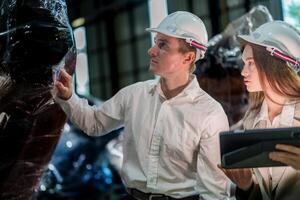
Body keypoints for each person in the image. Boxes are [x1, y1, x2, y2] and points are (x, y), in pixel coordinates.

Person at [54, 11, 231, 200]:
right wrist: (68, 97)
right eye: (156, 42)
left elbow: (215, 190)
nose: (151, 50)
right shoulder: (134, 96)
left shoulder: (209, 114)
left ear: (187, 58)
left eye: (162, 45)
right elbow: (95, 124)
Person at [219, 21, 300, 200]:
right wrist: (246, 186)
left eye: (250, 63)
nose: (243, 72)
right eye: (244, 63)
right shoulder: (252, 119)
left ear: (274, 64)